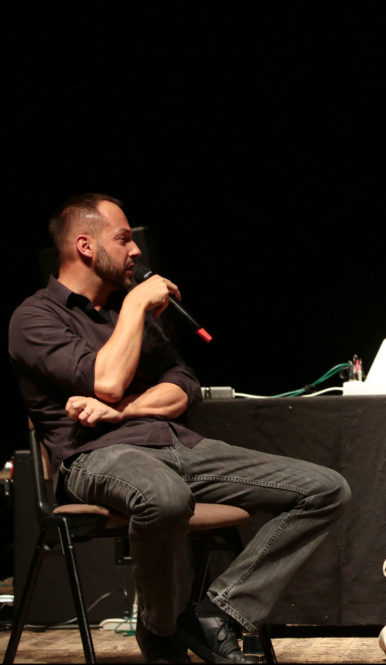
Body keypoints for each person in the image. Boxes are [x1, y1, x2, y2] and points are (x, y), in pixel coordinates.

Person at [8, 194, 351, 664]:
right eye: (124, 239)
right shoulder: (35, 317)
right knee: (164, 497)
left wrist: (124, 411)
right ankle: (160, 630)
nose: (136, 252)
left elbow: (182, 388)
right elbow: (104, 381)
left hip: (178, 445)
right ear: (85, 246)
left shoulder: (129, 317)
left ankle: (217, 611)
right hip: (96, 458)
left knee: (325, 489)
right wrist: (133, 310)